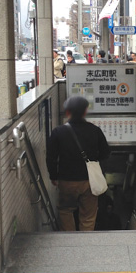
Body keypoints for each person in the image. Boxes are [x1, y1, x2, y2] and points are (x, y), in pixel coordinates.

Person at [46, 96, 111, 231]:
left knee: (65, 210)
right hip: (89, 181)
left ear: (67, 112)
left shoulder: (58, 132)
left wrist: (53, 176)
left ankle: (70, 238)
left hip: (67, 180)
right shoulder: (95, 130)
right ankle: (85, 239)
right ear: (85, 111)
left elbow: (51, 157)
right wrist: (95, 164)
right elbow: (105, 153)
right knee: (88, 215)